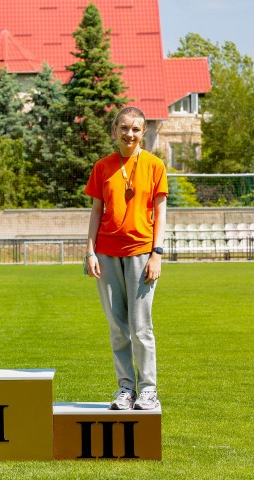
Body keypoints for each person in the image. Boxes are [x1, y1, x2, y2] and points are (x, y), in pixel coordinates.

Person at [83, 106, 168, 410]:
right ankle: (126, 390)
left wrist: (157, 254)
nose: (129, 134)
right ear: (114, 130)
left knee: (140, 326)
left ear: (143, 132)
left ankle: (148, 389)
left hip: (141, 254)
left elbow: (160, 212)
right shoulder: (102, 166)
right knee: (117, 327)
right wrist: (90, 251)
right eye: (124, 128)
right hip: (106, 255)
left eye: (135, 129)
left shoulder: (155, 165)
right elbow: (96, 212)